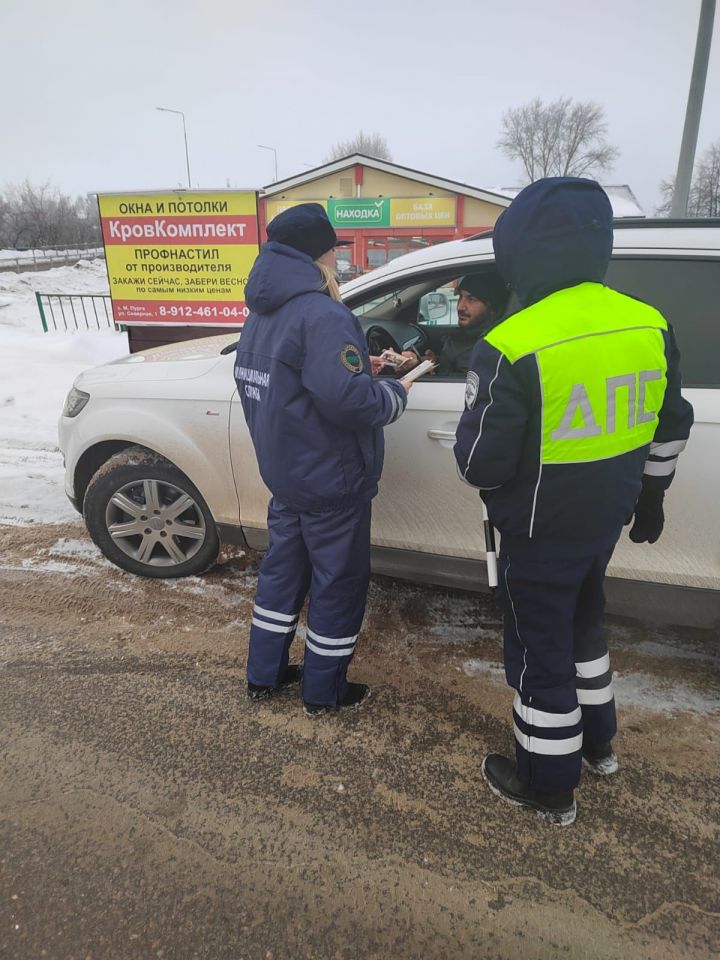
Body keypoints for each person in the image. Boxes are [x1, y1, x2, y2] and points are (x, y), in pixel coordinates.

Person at [454, 177, 693, 826]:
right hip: (603, 525)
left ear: (520, 253)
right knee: (585, 627)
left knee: (540, 655)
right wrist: (652, 494)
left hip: (536, 534)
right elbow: (670, 424)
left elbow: (479, 463)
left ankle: (547, 786)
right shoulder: (648, 322)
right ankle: (600, 745)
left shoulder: (512, 343)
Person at [235, 203, 410, 717]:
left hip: (287, 477)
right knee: (337, 585)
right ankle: (323, 692)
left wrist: (363, 367)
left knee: (281, 577)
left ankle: (262, 676)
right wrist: (393, 392)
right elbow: (350, 402)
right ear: (322, 254)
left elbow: (291, 383)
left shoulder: (263, 312)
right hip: (332, 483)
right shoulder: (323, 313)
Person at [400, 273, 508, 378]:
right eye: (460, 296)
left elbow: (458, 387)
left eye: (471, 299)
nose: (460, 306)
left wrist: (419, 369)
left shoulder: (487, 348)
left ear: (492, 308)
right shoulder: (469, 336)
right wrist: (434, 362)